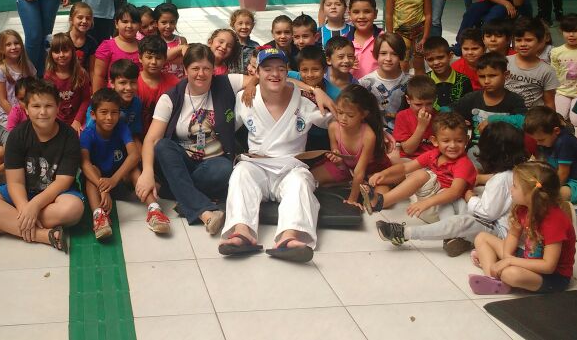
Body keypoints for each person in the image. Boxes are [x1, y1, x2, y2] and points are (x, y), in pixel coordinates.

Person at [217, 47, 328, 262]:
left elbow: (336, 121)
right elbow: (225, 128)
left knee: (300, 182)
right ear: (257, 72)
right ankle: (242, 232)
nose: (275, 74)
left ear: (288, 72)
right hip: (256, 165)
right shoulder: (245, 98)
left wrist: (320, 94)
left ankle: (290, 237)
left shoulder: (304, 100)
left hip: (290, 167)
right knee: (240, 173)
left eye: (280, 69)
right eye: (267, 69)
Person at [137, 44, 248, 235]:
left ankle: (176, 191)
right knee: (163, 146)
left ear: (213, 70)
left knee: (225, 168)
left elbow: (262, 78)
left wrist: (309, 88)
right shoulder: (171, 97)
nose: (201, 74)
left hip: (214, 162)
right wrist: (147, 172)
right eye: (195, 68)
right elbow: (152, 140)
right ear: (185, 69)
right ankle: (205, 212)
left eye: (206, 68)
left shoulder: (226, 83)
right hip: (184, 162)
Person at [376, 122, 528, 257]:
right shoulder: (511, 173)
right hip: (493, 224)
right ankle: (454, 237)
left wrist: (470, 198)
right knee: (450, 200)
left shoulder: (500, 179)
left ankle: (404, 233)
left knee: (460, 222)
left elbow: (488, 214)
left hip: (499, 232)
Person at [0, 79, 83, 252]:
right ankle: (42, 235)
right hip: (22, 192)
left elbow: (63, 182)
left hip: (55, 195)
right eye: (36, 106)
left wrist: (34, 206)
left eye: (49, 106)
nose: (43, 112)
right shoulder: (17, 135)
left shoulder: (69, 136)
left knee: (73, 209)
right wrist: (25, 208)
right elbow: (15, 182)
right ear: (26, 109)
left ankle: (2, 226)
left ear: (58, 107)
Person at [470, 161, 575, 295]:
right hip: (528, 258)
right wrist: (507, 256)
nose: (510, 189)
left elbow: (548, 266)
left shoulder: (554, 221)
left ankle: (499, 274)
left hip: (553, 277)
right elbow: (513, 235)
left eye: (514, 186)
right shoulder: (523, 208)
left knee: (510, 273)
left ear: (531, 193)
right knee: (482, 238)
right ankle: (493, 279)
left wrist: (510, 261)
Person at [364, 111, 476, 225]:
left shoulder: (463, 163)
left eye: (459, 141)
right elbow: (405, 168)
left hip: (442, 206)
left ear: (467, 140)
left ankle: (382, 201)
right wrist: (383, 173)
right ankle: (375, 187)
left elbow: (455, 192)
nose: (452, 145)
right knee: (408, 168)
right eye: (446, 141)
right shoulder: (434, 154)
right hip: (422, 205)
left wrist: (426, 203)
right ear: (435, 141)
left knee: (422, 174)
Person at [80, 89, 145, 241]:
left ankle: (154, 208)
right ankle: (99, 217)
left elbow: (135, 155)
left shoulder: (122, 127)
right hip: (96, 185)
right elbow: (84, 163)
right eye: (104, 112)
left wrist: (114, 180)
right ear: (93, 115)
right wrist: (102, 188)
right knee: (92, 171)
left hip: (117, 179)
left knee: (134, 170)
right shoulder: (87, 134)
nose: (109, 117)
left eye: (114, 112)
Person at [311, 85, 390, 208]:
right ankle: (350, 182)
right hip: (347, 168)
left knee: (379, 201)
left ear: (363, 115)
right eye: (340, 112)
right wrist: (337, 160)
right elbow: (336, 154)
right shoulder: (333, 127)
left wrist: (352, 200)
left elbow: (360, 170)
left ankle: (364, 185)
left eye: (350, 115)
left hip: (372, 171)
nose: (343, 118)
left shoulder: (368, 136)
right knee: (310, 178)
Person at [452, 52, 527, 144]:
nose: (486, 81)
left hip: (506, 147)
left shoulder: (515, 100)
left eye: (492, 76)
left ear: (506, 75)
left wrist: (495, 119)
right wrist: (455, 120)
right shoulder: (471, 98)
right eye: (482, 76)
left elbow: (524, 122)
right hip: (477, 147)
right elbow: (447, 110)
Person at [385, 0, 430, 74]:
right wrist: (390, 35)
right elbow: (388, 14)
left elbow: (428, 14)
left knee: (419, 61)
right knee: (403, 62)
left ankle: (420, 84)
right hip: (400, 33)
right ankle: (402, 84)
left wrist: (425, 36)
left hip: (419, 33)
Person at [358, 33, 408, 132]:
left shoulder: (410, 82)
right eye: (383, 53)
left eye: (394, 54)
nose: (388, 58)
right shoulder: (364, 83)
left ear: (401, 56)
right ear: (376, 55)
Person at [507, 17, 558, 109]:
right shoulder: (504, 63)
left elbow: (549, 102)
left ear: (540, 41)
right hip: (505, 113)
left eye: (528, 40)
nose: (523, 44)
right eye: (518, 40)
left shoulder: (547, 71)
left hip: (533, 115)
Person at [0, 29, 37, 127]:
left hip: (29, 112)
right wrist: (17, 118)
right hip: (8, 115)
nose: (13, 47)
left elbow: (36, 90)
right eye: (8, 44)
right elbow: (2, 100)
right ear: (1, 49)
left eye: (16, 43)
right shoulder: (0, 70)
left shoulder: (27, 66)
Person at [45, 33, 91, 131]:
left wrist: (77, 120)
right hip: (56, 120)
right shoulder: (49, 76)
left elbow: (86, 99)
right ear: (51, 54)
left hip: (79, 119)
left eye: (65, 50)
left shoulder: (81, 74)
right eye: (57, 51)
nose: (61, 55)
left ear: (72, 52)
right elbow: (48, 101)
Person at [91, 4, 141, 92]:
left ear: (139, 25)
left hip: (139, 95)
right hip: (113, 97)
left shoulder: (143, 46)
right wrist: (97, 98)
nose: (129, 25)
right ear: (116, 24)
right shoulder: (107, 46)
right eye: (125, 22)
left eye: (133, 22)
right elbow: (99, 76)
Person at [392, 75, 437, 161]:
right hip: (409, 159)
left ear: (434, 100)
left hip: (432, 159)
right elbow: (408, 150)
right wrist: (421, 126)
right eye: (418, 104)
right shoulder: (402, 116)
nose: (424, 109)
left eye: (429, 104)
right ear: (408, 100)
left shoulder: (439, 117)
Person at [423, 36, 473, 108]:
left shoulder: (464, 81)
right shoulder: (423, 81)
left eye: (440, 57)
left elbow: (468, 107)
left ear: (450, 56)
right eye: (430, 59)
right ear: (426, 60)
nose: (436, 62)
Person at [344, 0, 382, 80]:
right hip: (351, 88)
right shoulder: (343, 41)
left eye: (367, 11)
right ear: (350, 14)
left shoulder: (385, 40)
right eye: (356, 12)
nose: (361, 16)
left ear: (375, 13)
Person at [65, 2, 99, 71]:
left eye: (88, 18)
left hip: (84, 77)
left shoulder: (92, 43)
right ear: (71, 19)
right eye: (80, 17)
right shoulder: (62, 40)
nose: (84, 21)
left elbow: (92, 70)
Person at [156, 3, 186, 80]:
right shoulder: (154, 41)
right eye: (164, 22)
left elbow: (185, 60)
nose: (168, 26)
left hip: (179, 82)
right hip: (161, 82)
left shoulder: (181, 40)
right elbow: (159, 59)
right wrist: (179, 51)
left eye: (172, 22)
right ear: (156, 23)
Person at [230, 8, 260, 74]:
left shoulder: (255, 46)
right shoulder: (229, 45)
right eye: (240, 23)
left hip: (249, 78)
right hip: (230, 78)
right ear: (232, 25)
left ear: (252, 26)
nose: (244, 27)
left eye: (248, 23)